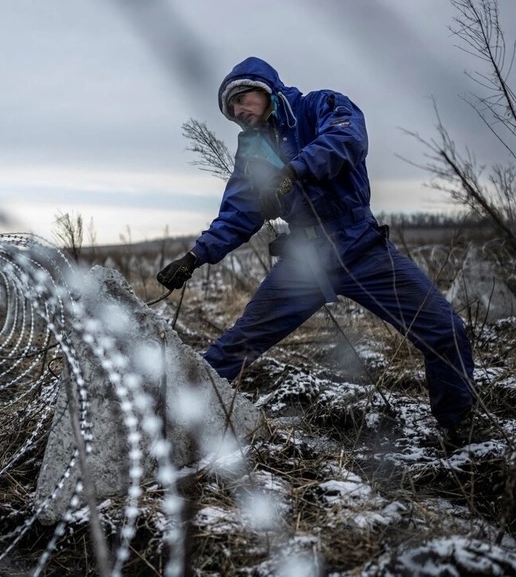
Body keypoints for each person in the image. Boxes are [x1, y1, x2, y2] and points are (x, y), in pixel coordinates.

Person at [156, 56, 478, 447]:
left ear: (266, 89)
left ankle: (458, 429)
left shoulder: (321, 106)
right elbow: (239, 213)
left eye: (243, 99)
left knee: (445, 330)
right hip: (305, 262)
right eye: (232, 110)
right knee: (239, 344)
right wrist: (195, 257)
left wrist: (292, 172)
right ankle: (167, 419)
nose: (239, 111)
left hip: (362, 247)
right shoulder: (252, 153)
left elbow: (348, 140)